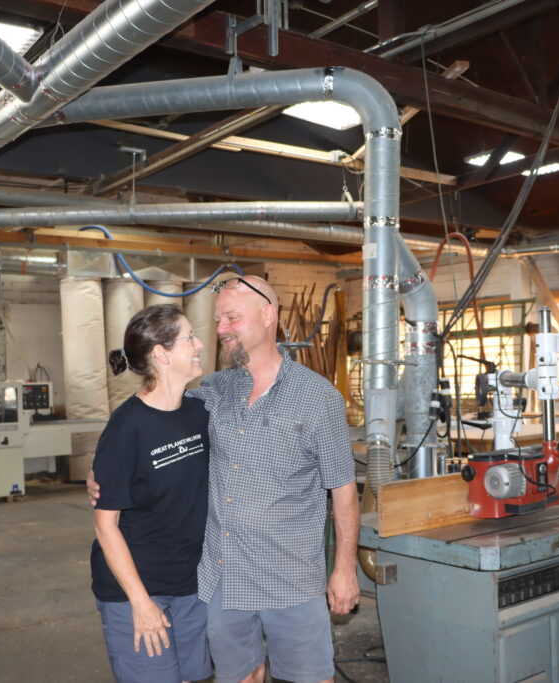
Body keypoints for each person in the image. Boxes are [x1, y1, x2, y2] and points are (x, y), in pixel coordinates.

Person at [91, 276, 360, 683]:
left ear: (267, 316)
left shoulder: (317, 397)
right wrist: (101, 472)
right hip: (224, 577)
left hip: (291, 577)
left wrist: (344, 569)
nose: (219, 330)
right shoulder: (214, 390)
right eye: (217, 320)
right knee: (240, 677)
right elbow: (146, 425)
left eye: (231, 318)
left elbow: (344, 489)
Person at [90, 304, 213, 683]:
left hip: (191, 582)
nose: (200, 344)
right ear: (161, 354)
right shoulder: (126, 427)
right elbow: (105, 526)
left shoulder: (200, 412)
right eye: (189, 338)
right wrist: (140, 603)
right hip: (138, 588)